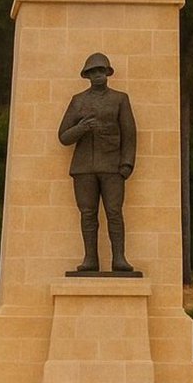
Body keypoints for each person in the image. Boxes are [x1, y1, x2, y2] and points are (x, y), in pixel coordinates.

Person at [58, 52, 137, 273]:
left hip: (112, 166)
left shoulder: (120, 99)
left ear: (108, 73)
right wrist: (82, 128)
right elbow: (63, 136)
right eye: (93, 72)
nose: (98, 75)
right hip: (84, 167)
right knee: (88, 214)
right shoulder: (78, 101)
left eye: (101, 71)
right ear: (87, 75)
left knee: (114, 212)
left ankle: (119, 258)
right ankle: (90, 259)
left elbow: (129, 133)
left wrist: (127, 163)